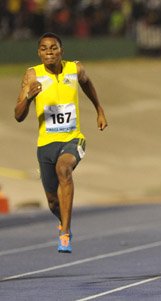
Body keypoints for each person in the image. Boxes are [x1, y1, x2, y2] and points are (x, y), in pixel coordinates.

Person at [14, 32, 108, 253]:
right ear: (39, 53)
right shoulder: (31, 76)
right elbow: (18, 116)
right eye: (45, 49)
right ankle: (64, 220)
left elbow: (87, 84)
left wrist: (99, 109)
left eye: (54, 48)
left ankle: (64, 232)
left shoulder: (75, 69)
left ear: (61, 51)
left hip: (72, 138)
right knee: (52, 202)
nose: (50, 52)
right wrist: (28, 97)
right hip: (46, 144)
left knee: (63, 169)